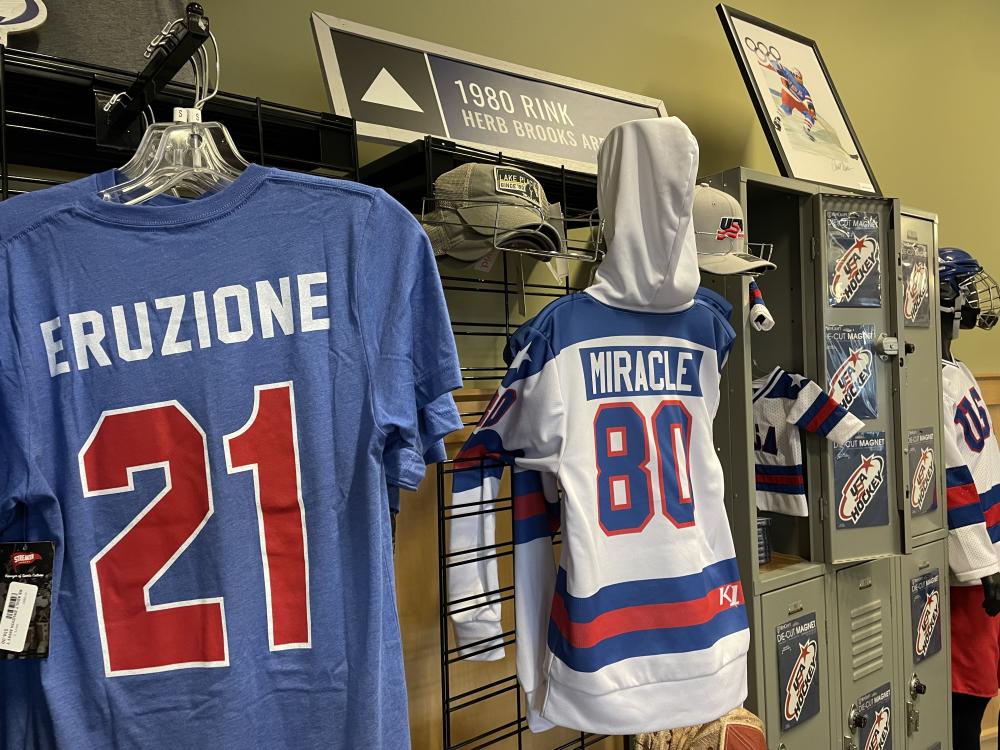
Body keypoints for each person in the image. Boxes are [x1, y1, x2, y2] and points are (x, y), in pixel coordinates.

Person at [938, 247, 1000, 749]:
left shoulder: (953, 366)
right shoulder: (929, 382)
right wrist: (981, 565)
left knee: (981, 687)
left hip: (990, 549)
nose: (973, 297)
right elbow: (953, 478)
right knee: (968, 693)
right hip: (970, 571)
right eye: (962, 286)